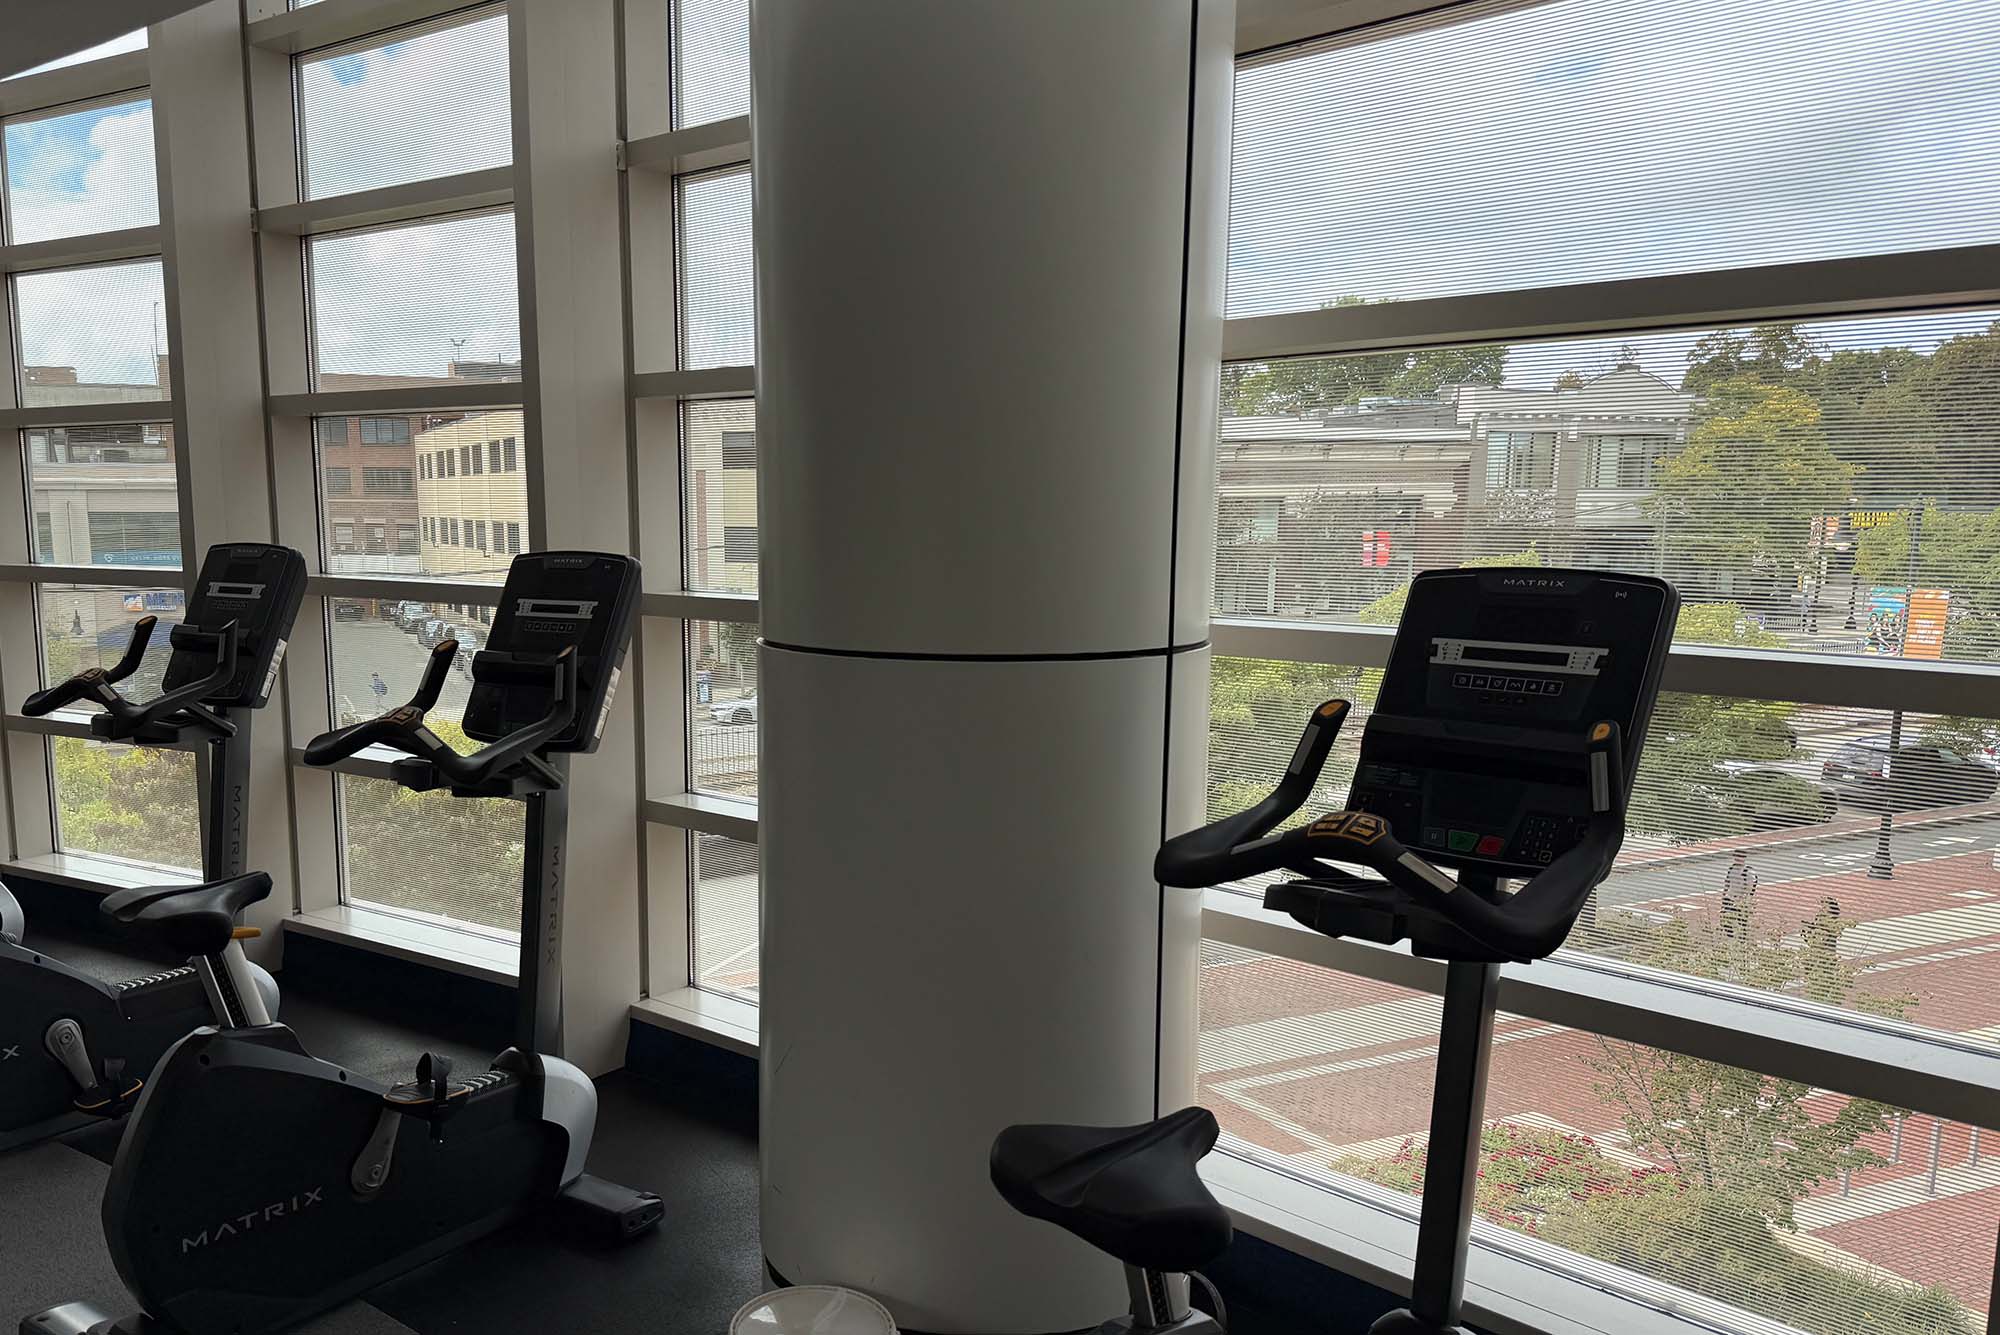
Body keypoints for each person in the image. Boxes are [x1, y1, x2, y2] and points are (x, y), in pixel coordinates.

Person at [1721, 849, 1758, 939]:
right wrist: (1724, 894)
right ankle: (1731, 938)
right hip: (1729, 898)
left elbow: (1751, 887)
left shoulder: (1747, 871)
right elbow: (1727, 882)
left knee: (1741, 923)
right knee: (1725, 920)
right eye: (1736, 856)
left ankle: (1741, 940)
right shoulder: (1732, 869)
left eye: (1740, 857)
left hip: (1740, 901)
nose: (1738, 859)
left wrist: (1744, 899)